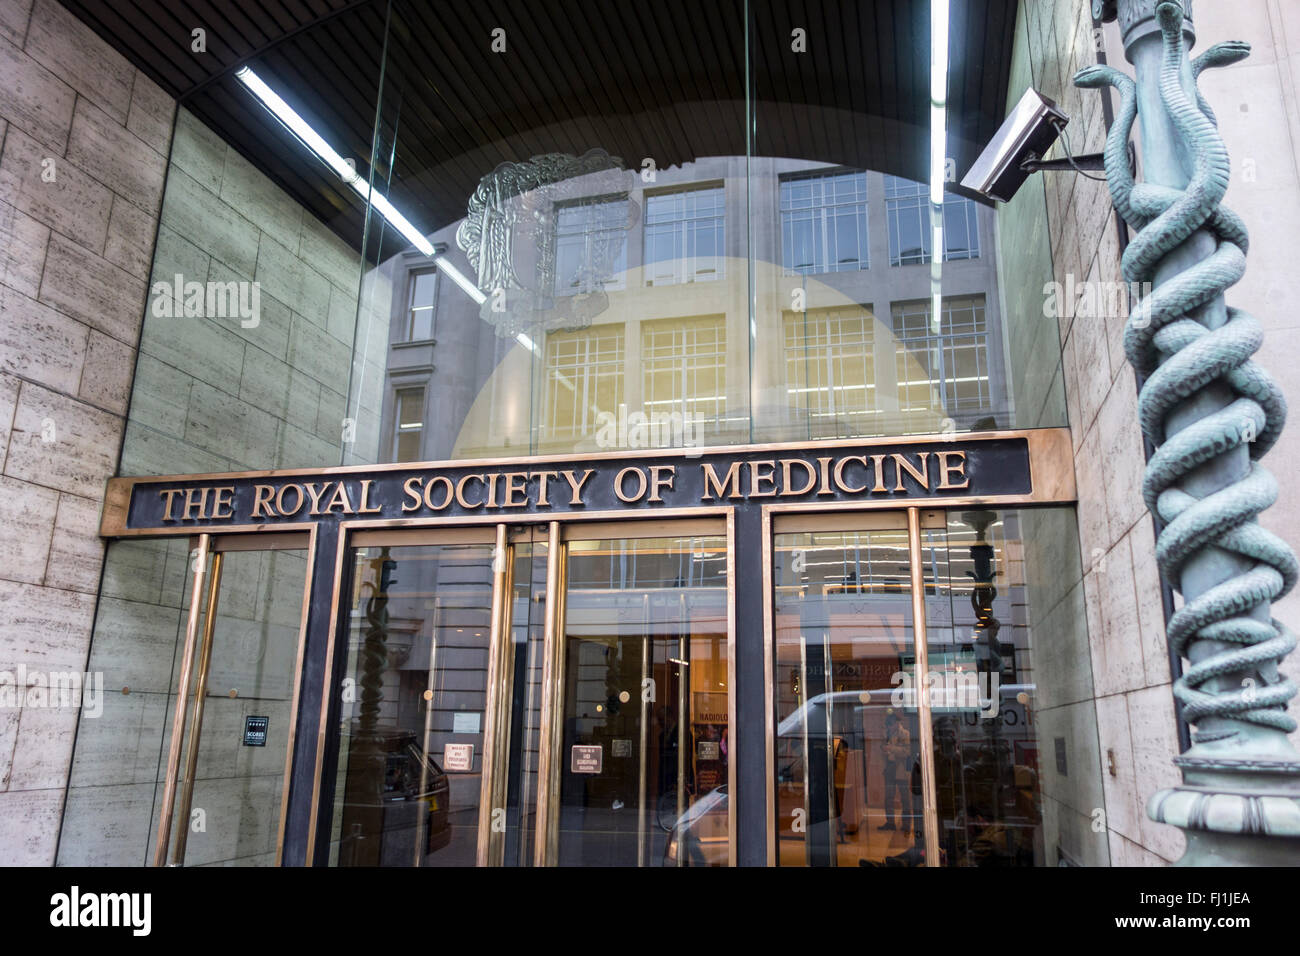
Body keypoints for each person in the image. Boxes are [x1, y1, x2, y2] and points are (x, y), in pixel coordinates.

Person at [877, 709, 913, 833]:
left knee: (905, 798)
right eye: (887, 725)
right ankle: (890, 822)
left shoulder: (905, 734)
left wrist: (891, 748)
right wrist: (884, 749)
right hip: (889, 768)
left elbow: (907, 752)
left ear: (896, 723)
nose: (889, 727)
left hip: (901, 769)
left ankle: (907, 824)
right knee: (888, 798)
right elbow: (882, 748)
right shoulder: (887, 734)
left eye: (890, 725)